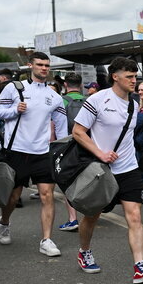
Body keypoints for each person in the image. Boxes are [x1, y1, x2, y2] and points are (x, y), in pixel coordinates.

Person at [72, 57, 143, 284]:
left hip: (129, 168)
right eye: (129, 76)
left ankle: (140, 268)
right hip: (102, 170)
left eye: (135, 76)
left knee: (135, 216)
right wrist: (100, 153)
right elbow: (78, 131)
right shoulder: (98, 99)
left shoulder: (133, 103)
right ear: (115, 76)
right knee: (91, 217)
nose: (134, 81)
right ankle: (84, 251)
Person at [0, 52, 68, 255]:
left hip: (42, 152)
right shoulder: (14, 88)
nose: (44, 68)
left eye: (46, 65)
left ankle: (47, 240)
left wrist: (61, 150)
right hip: (17, 151)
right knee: (13, 197)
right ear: (30, 66)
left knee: (47, 195)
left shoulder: (55, 96)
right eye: (40, 64)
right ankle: (4, 221)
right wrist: (14, 110)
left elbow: (61, 128)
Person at [57, 73, 86, 232]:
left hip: (67, 145)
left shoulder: (61, 101)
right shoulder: (89, 101)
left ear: (65, 85)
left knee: (67, 182)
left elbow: (54, 125)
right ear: (81, 85)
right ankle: (91, 212)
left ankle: (73, 219)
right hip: (88, 145)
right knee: (89, 178)